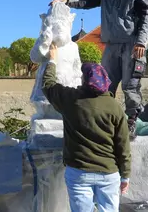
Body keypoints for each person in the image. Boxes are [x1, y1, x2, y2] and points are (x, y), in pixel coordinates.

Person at [50, 0, 148, 138]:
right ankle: (105, 119)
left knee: (131, 86)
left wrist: (141, 42)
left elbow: (147, 16)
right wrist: (66, 0)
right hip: (111, 44)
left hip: (132, 44)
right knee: (105, 85)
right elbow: (88, 0)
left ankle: (131, 122)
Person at [42, 43, 131, 212]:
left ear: (84, 80)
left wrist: (52, 60)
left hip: (79, 172)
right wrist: (125, 175)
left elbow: (48, 84)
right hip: (109, 173)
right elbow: (123, 145)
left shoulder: (71, 100)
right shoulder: (114, 106)